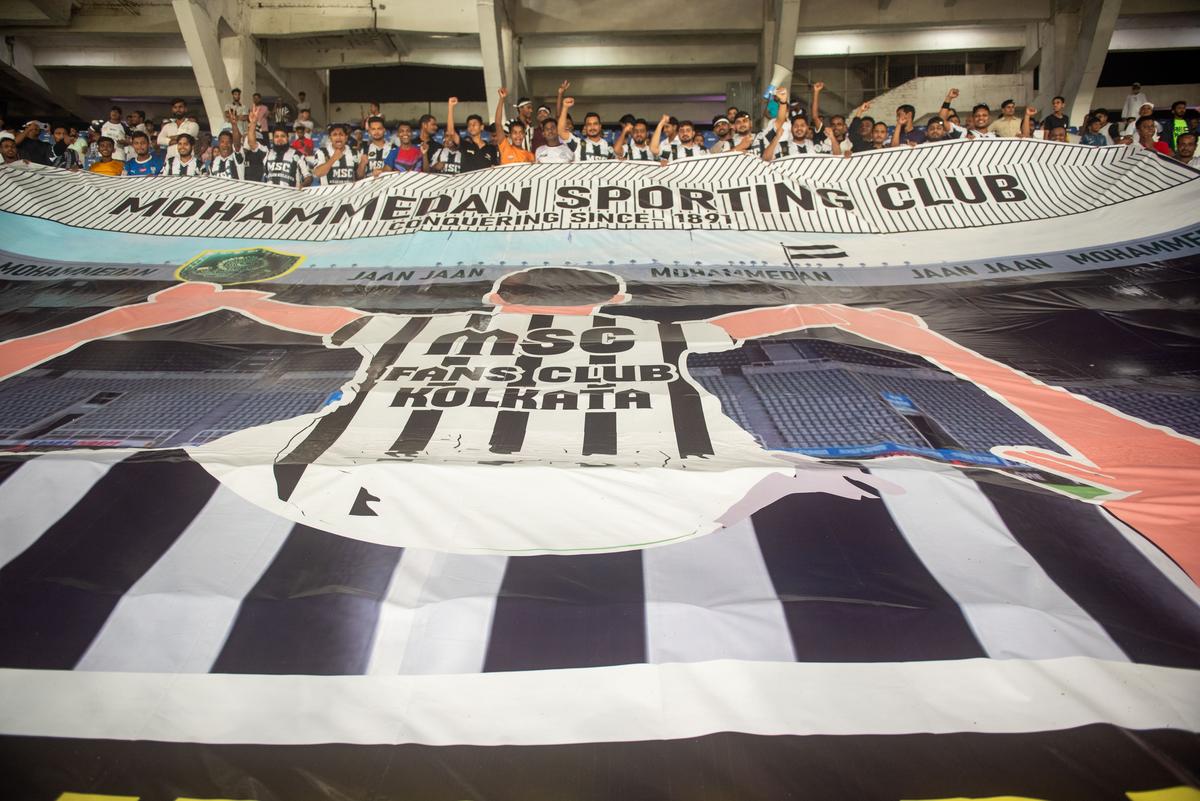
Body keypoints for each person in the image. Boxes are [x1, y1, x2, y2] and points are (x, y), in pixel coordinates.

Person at [492, 89, 534, 166]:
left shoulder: (530, 156)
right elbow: (498, 124)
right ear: (509, 135)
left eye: (520, 133)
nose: (518, 135)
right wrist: (501, 99)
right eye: (515, 133)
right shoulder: (505, 148)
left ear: (524, 134)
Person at [455, 105, 500, 172]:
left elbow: (494, 167)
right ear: (468, 129)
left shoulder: (491, 148)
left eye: (474, 124)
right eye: (469, 125)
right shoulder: (465, 144)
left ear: (482, 127)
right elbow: (451, 133)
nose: (472, 126)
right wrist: (451, 106)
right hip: (467, 182)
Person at [209, 110, 247, 179]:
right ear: (218, 143)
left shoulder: (237, 158)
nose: (225, 145)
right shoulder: (214, 162)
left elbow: (237, 145)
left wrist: (234, 124)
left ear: (232, 143)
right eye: (222, 142)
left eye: (228, 142)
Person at [432, 98, 464, 173]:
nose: (449, 138)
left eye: (451, 136)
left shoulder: (464, 153)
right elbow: (428, 171)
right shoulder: (439, 152)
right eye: (446, 135)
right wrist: (435, 167)